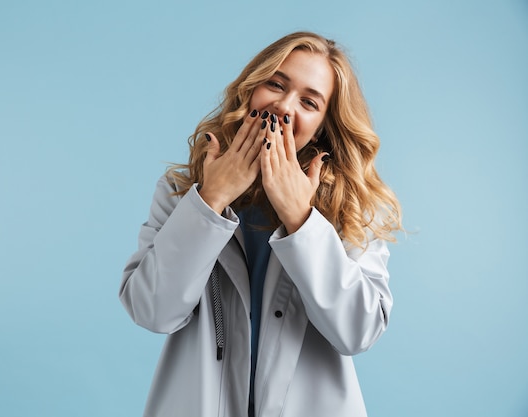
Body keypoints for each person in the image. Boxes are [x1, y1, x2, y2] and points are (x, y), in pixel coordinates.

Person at [119, 31, 402, 417]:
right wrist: (210, 201)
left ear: (320, 125)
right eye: (276, 84)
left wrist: (301, 220)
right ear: (252, 90)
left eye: (308, 101)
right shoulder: (181, 190)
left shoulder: (348, 205)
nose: (284, 107)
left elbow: (359, 331)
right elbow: (152, 310)